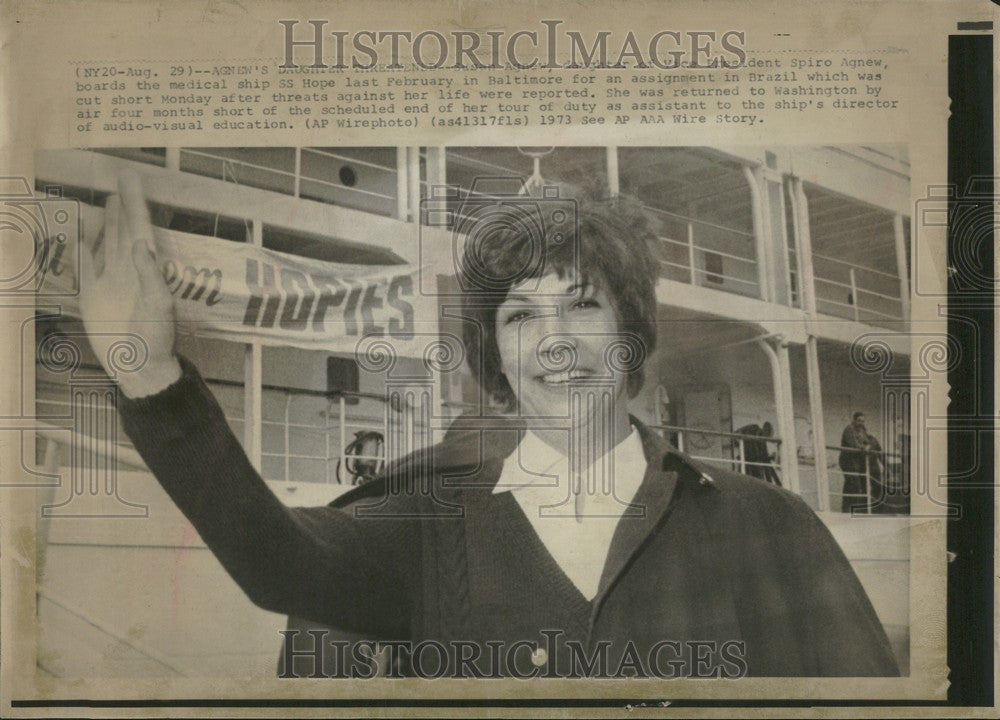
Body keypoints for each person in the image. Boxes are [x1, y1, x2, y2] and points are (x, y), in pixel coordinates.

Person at [78, 173, 899, 678]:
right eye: (518, 316)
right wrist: (148, 374)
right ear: (495, 357)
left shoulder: (772, 529)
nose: (554, 342)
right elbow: (278, 562)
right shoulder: (430, 527)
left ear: (631, 333)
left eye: (583, 304)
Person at [839, 412, 878, 513]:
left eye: (863, 421)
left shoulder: (862, 430)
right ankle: (848, 509)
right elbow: (853, 444)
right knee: (853, 484)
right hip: (848, 460)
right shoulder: (849, 429)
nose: (861, 423)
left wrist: (868, 446)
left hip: (857, 462)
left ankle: (851, 509)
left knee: (854, 485)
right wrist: (863, 448)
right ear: (854, 420)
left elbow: (868, 441)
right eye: (859, 421)